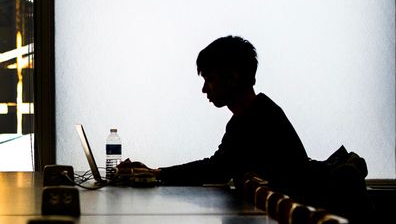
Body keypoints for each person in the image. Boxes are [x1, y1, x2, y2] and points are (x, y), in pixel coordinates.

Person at [118, 35, 310, 188]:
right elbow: (218, 166)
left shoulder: (258, 119)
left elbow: (217, 169)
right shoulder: (252, 115)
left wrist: (155, 173)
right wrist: (155, 172)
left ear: (232, 77)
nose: (204, 89)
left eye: (209, 79)